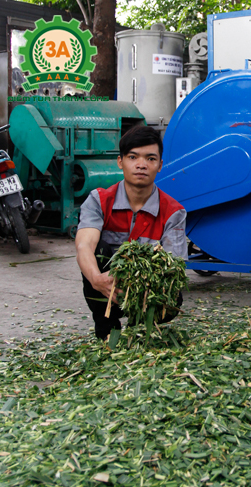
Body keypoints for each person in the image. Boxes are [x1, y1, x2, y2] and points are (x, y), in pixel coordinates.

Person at [75, 126, 188, 340]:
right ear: (120, 162)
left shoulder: (173, 211)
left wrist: (128, 277)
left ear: (160, 165)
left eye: (150, 159)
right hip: (107, 290)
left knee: (173, 292)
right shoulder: (99, 201)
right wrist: (96, 279)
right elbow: (84, 246)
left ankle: (141, 329)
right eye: (133, 157)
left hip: (147, 293)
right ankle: (106, 328)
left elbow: (175, 265)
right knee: (96, 252)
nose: (141, 165)